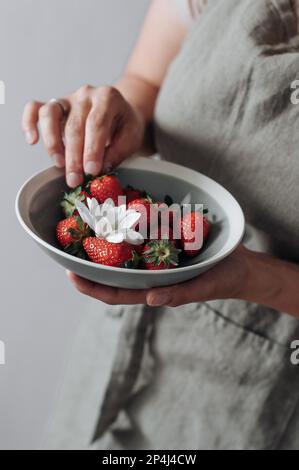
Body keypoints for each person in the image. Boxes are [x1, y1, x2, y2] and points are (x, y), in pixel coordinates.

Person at [22, 0, 299, 450]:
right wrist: (119, 116)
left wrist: (257, 279)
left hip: (259, 404)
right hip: (118, 347)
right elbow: (148, 82)